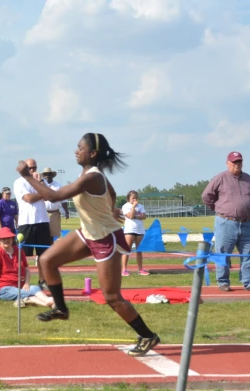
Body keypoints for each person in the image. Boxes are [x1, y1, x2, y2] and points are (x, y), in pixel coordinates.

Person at [14, 132, 161, 356]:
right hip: (88, 233)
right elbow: (110, 192)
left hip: (105, 237)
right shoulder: (90, 175)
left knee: (111, 297)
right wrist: (109, 207)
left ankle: (148, 335)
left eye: (80, 148)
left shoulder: (91, 177)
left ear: (92, 153)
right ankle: (61, 308)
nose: (76, 151)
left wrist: (27, 176)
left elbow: (55, 196)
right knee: (47, 260)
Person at [201, 151, 250, 292]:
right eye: (234, 162)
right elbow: (206, 196)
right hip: (226, 222)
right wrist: (218, 208)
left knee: (248, 253)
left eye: (239, 162)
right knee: (223, 253)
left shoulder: (248, 179)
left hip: (246, 223)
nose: (237, 164)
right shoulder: (220, 178)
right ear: (228, 163)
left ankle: (249, 282)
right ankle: (223, 282)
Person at [0, 227, 55, 307]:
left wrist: (26, 283)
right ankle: (47, 304)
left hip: (20, 285)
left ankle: (48, 301)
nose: (6, 240)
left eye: (9, 238)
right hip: (3, 289)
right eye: (3, 238)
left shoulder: (19, 251)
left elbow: (27, 271)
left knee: (34, 288)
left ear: (12, 239)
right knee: (23, 293)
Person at [14, 158, 52, 290]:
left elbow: (50, 195)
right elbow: (29, 198)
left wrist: (41, 182)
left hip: (42, 221)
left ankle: (43, 281)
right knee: (22, 255)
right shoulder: (19, 182)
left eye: (34, 168)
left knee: (44, 255)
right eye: (29, 168)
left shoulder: (41, 181)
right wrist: (43, 193)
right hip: (26, 222)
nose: (32, 171)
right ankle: (22, 281)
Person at [121, 190, 149, 276]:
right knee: (127, 250)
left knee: (139, 250)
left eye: (136, 198)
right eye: (133, 198)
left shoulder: (140, 206)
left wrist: (136, 216)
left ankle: (140, 269)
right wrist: (133, 207)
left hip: (140, 230)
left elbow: (144, 216)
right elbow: (130, 216)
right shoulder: (126, 206)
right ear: (129, 198)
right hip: (130, 230)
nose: (135, 199)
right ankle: (124, 269)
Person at [41, 167, 70, 239]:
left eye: (49, 174)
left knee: (54, 235)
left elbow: (63, 200)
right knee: (43, 235)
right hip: (42, 213)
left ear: (52, 175)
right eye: (45, 174)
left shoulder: (58, 185)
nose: (47, 176)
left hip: (54, 213)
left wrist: (66, 212)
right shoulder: (40, 185)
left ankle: (51, 248)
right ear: (44, 176)